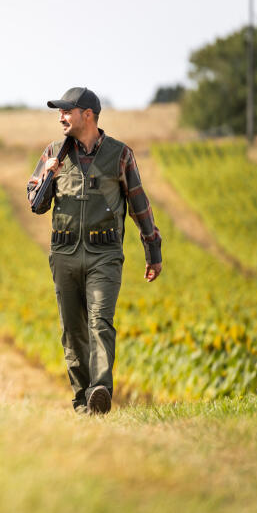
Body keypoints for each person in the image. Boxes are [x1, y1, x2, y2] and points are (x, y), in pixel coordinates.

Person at [27, 87, 162, 415]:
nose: (60, 117)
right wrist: (47, 179)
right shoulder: (53, 152)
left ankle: (100, 388)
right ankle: (82, 401)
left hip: (105, 255)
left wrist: (153, 250)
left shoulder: (120, 154)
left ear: (87, 115)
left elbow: (139, 204)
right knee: (73, 332)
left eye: (66, 111)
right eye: (59, 112)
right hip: (64, 255)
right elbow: (35, 204)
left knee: (100, 321)